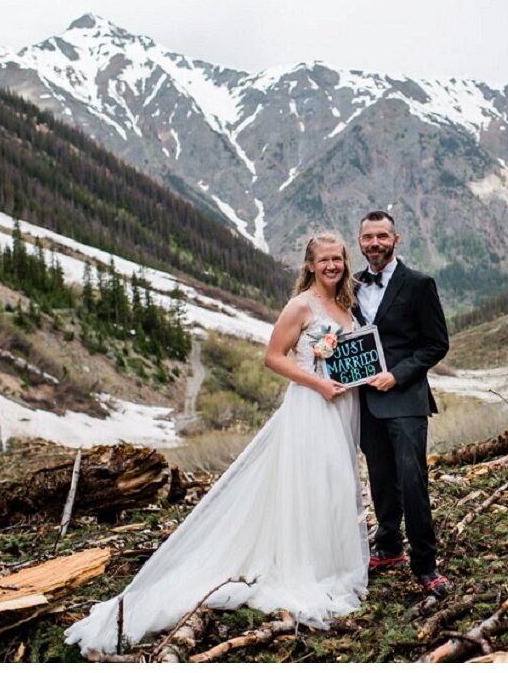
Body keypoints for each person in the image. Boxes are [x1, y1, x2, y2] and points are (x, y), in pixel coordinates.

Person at [65, 234, 367, 656]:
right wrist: (318, 382)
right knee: (311, 482)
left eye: (338, 259)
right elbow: (274, 356)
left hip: (342, 405)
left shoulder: (347, 305)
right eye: (325, 260)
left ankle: (331, 561)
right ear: (311, 265)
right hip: (311, 405)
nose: (332, 266)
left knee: (335, 482)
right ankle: (306, 567)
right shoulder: (301, 305)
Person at [352, 210, 452, 597]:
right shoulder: (353, 284)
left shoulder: (419, 284)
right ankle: (389, 546)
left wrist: (398, 374)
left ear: (397, 239)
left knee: (413, 481)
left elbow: (436, 344)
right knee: (380, 478)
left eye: (381, 236)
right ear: (359, 243)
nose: (374, 243)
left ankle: (426, 565)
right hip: (366, 400)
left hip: (406, 398)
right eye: (367, 238)